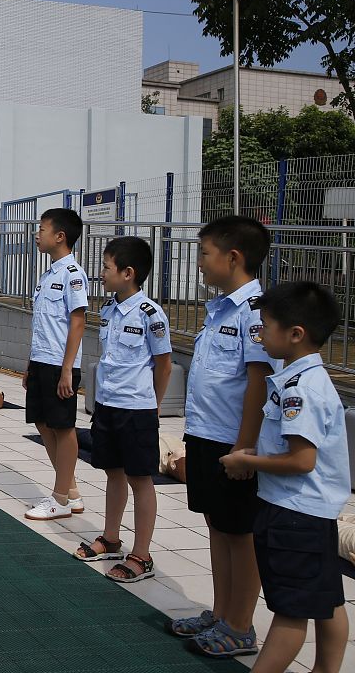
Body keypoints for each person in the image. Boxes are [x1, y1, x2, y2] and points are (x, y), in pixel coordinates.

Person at [219, 282, 349, 672]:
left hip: (293, 515)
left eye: (265, 326)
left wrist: (246, 461)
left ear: (296, 334)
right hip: (311, 513)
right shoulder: (299, 379)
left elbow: (301, 460)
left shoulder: (300, 388)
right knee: (329, 603)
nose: (259, 334)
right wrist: (255, 454)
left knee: (291, 615)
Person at [167, 215, 276, 657]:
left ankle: (241, 625)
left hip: (235, 441)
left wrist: (245, 447)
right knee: (216, 525)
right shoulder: (221, 310)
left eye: (204, 254)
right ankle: (220, 612)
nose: (199, 264)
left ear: (233, 258)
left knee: (239, 532)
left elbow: (257, 381)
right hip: (207, 434)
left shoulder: (256, 313)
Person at [72, 237, 172, 584]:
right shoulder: (111, 309)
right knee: (112, 473)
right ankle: (111, 538)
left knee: (140, 479)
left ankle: (141, 555)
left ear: (128, 273)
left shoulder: (150, 314)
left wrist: (153, 406)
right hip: (108, 406)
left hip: (137, 409)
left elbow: (164, 364)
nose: (101, 274)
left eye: (106, 267)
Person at [23, 208, 88, 520]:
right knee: (42, 423)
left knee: (63, 427)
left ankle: (60, 498)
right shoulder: (48, 275)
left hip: (60, 364)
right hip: (41, 361)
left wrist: (67, 370)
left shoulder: (73, 274)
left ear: (60, 236)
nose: (38, 234)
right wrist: (30, 365)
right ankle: (71, 491)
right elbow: (42, 325)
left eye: (42, 229)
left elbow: (78, 323)